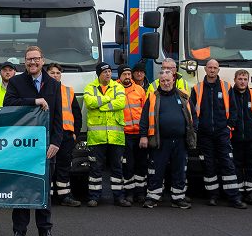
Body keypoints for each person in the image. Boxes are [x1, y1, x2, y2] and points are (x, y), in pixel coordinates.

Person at [4, 46, 62, 236]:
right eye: (29, 59)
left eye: (36, 59)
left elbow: (58, 118)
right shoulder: (16, 81)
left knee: (43, 190)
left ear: (42, 61)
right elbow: (8, 104)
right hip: (22, 145)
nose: (32, 63)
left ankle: (45, 230)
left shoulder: (54, 85)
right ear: (25, 62)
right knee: (21, 188)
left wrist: (55, 142)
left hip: (46, 146)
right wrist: (34, 101)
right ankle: (19, 231)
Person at [189, 59, 243, 209]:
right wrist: (196, 129)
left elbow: (234, 110)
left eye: (215, 68)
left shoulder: (226, 87)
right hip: (204, 134)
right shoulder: (197, 88)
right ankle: (212, 196)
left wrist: (228, 127)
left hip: (222, 133)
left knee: (228, 165)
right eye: (210, 68)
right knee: (208, 165)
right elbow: (192, 111)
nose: (212, 70)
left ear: (218, 70)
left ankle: (234, 197)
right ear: (205, 69)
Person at [139, 67, 195, 208]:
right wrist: (143, 136)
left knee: (179, 170)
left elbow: (193, 115)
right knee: (156, 169)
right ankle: (153, 197)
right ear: (159, 81)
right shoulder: (152, 96)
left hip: (180, 140)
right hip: (159, 140)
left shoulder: (183, 95)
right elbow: (144, 119)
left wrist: (194, 132)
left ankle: (178, 198)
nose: (165, 83)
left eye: (168, 80)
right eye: (162, 81)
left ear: (173, 80)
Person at [84, 61, 127, 207]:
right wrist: (109, 99)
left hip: (116, 136)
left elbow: (121, 103)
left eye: (109, 71)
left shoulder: (118, 86)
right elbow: (90, 103)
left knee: (117, 168)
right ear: (99, 74)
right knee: (95, 168)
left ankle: (119, 197)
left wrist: (100, 106)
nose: (108, 74)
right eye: (105, 72)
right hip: (97, 138)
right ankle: (94, 197)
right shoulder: (90, 87)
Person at [229, 69, 252, 206]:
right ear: (235, 80)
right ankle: (237, 193)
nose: (242, 81)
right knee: (236, 166)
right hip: (235, 138)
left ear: (248, 80)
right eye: (240, 79)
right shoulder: (229, 94)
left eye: (245, 79)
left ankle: (251, 193)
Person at [46, 63, 80, 207]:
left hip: (66, 134)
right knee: (47, 166)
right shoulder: (41, 90)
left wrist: (75, 133)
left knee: (64, 166)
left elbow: (77, 114)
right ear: (47, 74)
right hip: (48, 133)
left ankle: (65, 196)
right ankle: (47, 196)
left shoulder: (68, 91)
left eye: (58, 73)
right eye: (52, 73)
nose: (55, 75)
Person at [120, 64, 148, 204]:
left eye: (129, 74)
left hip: (139, 133)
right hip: (124, 134)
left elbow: (145, 112)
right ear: (119, 76)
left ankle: (140, 192)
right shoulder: (115, 89)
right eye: (124, 74)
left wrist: (145, 132)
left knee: (141, 164)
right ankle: (129, 193)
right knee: (128, 165)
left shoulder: (139, 90)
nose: (127, 77)